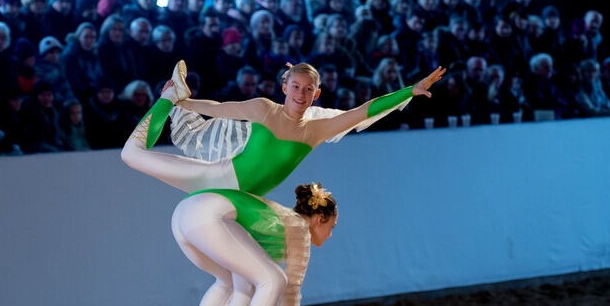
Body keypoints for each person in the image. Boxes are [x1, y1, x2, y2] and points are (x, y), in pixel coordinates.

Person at [121, 59, 443, 197]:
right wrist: (182, 102)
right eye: (296, 87)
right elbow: (219, 109)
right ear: (285, 87)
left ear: (316, 94)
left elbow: (362, 111)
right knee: (132, 157)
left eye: (308, 90)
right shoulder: (264, 109)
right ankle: (168, 98)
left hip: (247, 196)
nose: (301, 94)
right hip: (215, 177)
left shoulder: (315, 131)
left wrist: (408, 92)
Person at [173, 183, 338, 306]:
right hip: (209, 216)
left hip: (184, 214)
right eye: (332, 227)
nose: (331, 235)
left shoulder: (277, 222)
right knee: (275, 280)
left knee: (234, 284)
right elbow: (291, 289)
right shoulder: (299, 227)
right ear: (320, 219)